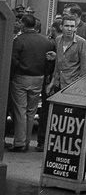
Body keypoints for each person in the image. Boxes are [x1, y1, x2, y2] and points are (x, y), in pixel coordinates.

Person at [9, 14, 53, 152]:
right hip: (38, 77)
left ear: (23, 24)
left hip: (21, 77)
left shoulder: (19, 40)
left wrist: (15, 72)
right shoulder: (46, 41)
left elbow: (13, 60)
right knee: (31, 111)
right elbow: (49, 60)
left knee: (20, 110)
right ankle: (26, 141)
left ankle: (19, 142)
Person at [49, 14, 86, 93]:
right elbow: (57, 64)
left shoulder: (81, 42)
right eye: (66, 26)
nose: (69, 29)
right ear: (61, 27)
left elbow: (85, 68)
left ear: (75, 28)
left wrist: (78, 86)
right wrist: (52, 82)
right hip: (58, 83)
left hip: (72, 85)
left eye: (72, 26)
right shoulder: (58, 40)